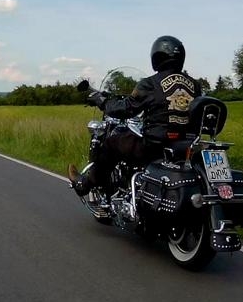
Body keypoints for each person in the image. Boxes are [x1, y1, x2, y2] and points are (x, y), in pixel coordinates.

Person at [68, 35, 202, 196]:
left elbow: (125, 109)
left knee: (111, 143)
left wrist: (103, 102)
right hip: (186, 145)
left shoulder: (151, 83)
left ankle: (85, 184)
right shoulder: (195, 86)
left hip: (154, 146)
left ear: (157, 56)